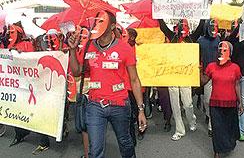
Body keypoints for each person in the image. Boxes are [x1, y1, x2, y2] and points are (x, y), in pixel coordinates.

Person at [68, 10, 147, 158]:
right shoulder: (88, 46)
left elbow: (134, 80)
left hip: (120, 104)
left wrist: (141, 110)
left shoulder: (125, 48)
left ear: (112, 26)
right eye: (96, 21)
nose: (97, 25)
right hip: (95, 105)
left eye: (102, 22)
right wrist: (72, 50)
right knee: (95, 150)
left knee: (125, 143)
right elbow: (77, 71)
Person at [158, 19, 204, 141]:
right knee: (175, 104)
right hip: (173, 75)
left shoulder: (192, 38)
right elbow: (163, 27)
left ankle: (191, 120)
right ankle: (179, 130)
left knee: (188, 103)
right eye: (181, 25)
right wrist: (157, 12)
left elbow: (200, 27)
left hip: (186, 76)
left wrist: (205, 11)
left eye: (185, 25)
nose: (183, 27)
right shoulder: (172, 37)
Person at [201, 41, 243, 158]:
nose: (221, 51)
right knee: (217, 129)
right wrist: (199, 70)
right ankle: (217, 152)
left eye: (225, 50)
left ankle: (228, 145)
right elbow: (203, 81)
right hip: (215, 104)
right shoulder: (211, 66)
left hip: (231, 104)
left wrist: (241, 103)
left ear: (230, 52)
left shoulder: (235, 68)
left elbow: (237, 85)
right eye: (219, 49)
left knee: (229, 128)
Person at [197, 19, 220, 137]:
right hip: (206, 75)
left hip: (218, 75)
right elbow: (196, 57)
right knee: (207, 100)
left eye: (215, 27)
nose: (213, 29)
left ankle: (212, 125)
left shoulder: (219, 39)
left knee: (215, 101)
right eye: (211, 27)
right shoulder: (200, 41)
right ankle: (208, 114)